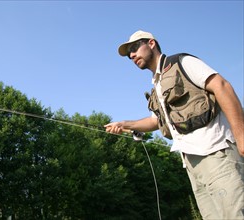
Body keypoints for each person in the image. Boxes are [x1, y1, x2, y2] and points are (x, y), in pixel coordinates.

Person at [104, 30, 244, 219]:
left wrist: (241, 136)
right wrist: (125, 124)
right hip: (192, 166)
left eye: (135, 48)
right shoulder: (157, 85)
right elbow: (155, 121)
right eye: (129, 54)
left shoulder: (182, 62)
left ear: (151, 43)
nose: (132, 55)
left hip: (217, 152)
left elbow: (222, 86)